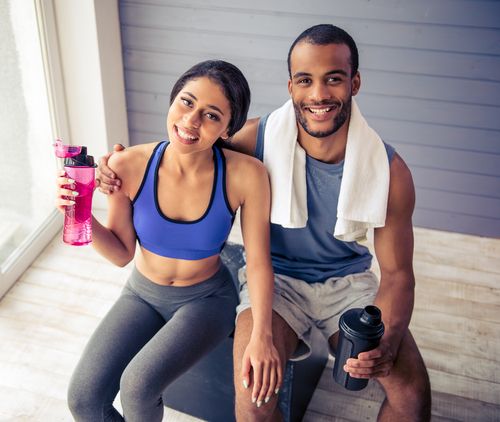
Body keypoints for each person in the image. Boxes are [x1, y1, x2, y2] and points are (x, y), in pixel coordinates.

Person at [98, 25, 432, 421]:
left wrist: (387, 344)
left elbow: (397, 276)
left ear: (354, 83)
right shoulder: (254, 138)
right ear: (290, 86)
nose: (319, 94)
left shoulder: (389, 172)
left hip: (347, 284)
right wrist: (114, 168)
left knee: (411, 394)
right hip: (275, 282)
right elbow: (188, 141)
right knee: (253, 395)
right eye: (305, 80)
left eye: (334, 79)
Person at [56, 60, 281, 422]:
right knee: (83, 398)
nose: (191, 121)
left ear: (227, 129)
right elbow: (120, 254)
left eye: (211, 115)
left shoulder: (246, 175)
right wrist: (75, 213)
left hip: (207, 299)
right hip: (141, 294)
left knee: (138, 387)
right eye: (187, 102)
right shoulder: (128, 164)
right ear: (173, 100)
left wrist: (261, 334)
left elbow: (257, 262)